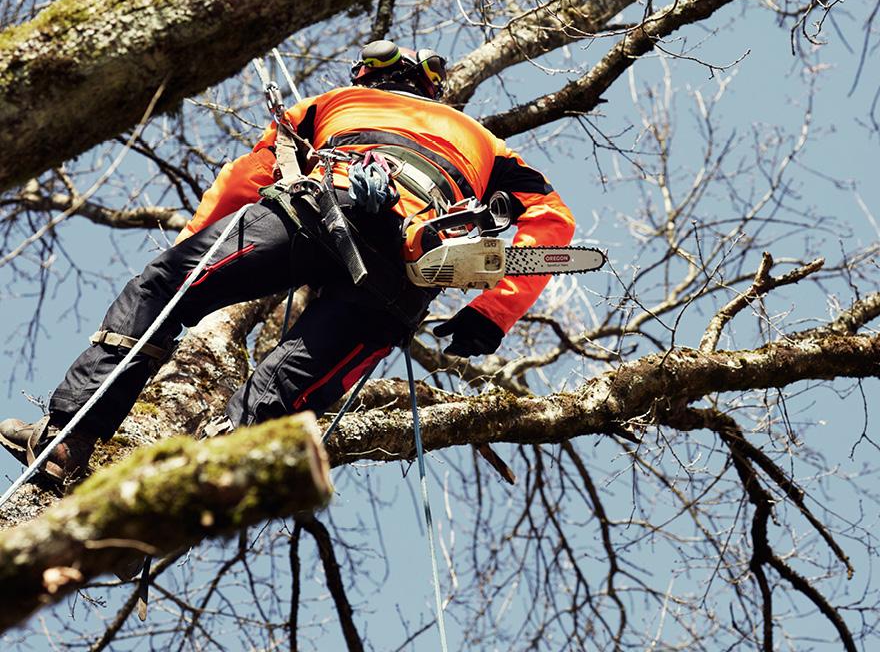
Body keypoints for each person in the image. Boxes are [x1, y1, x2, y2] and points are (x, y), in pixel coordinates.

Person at [0, 40, 575, 483]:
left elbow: (247, 176)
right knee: (276, 400)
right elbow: (553, 221)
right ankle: (187, 492)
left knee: (160, 294)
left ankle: (69, 439)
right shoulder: (486, 142)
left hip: (312, 210)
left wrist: (190, 253)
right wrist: (492, 312)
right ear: (431, 86)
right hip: (402, 272)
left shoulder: (333, 103)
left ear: (366, 75)